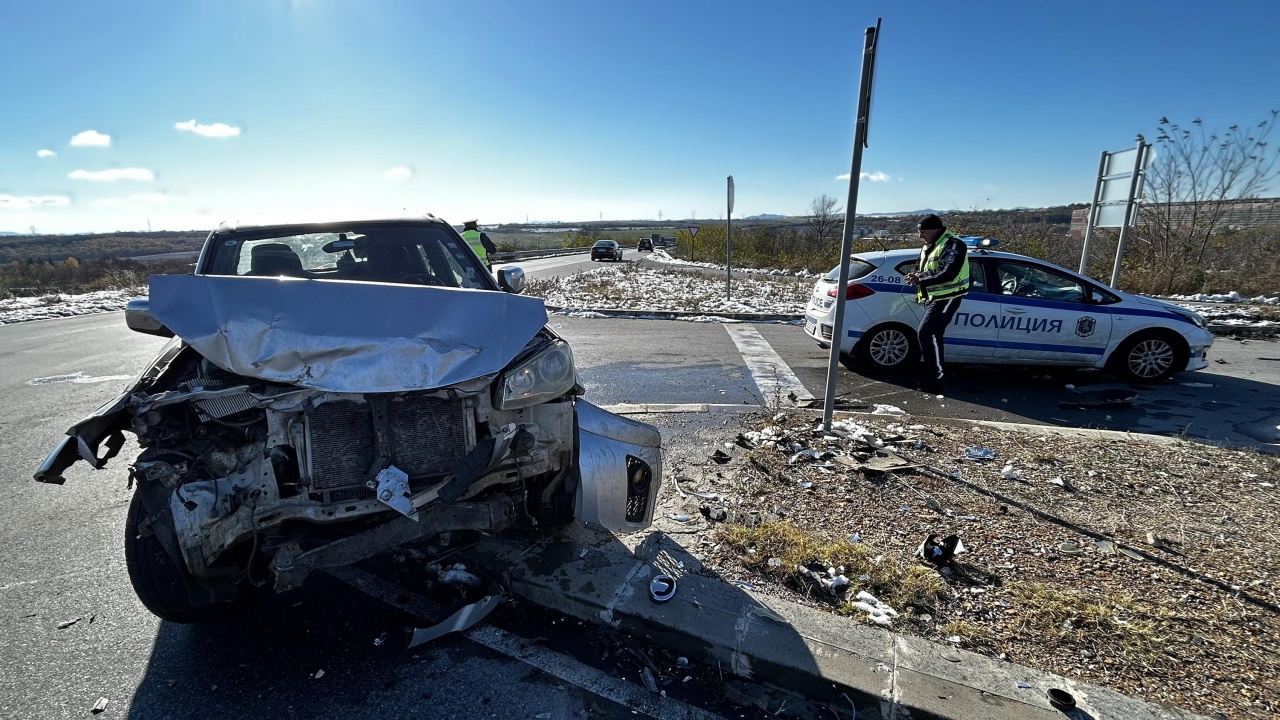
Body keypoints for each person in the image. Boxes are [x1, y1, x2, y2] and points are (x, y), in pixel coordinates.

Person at [904, 214, 969, 393]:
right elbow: (921, 265)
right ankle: (933, 375)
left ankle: (936, 378)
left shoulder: (953, 244)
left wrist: (920, 278)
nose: (920, 237)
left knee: (927, 332)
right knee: (931, 335)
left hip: (948, 296)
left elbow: (948, 272)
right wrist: (915, 274)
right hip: (933, 297)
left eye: (923, 232)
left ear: (934, 230)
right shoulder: (930, 245)